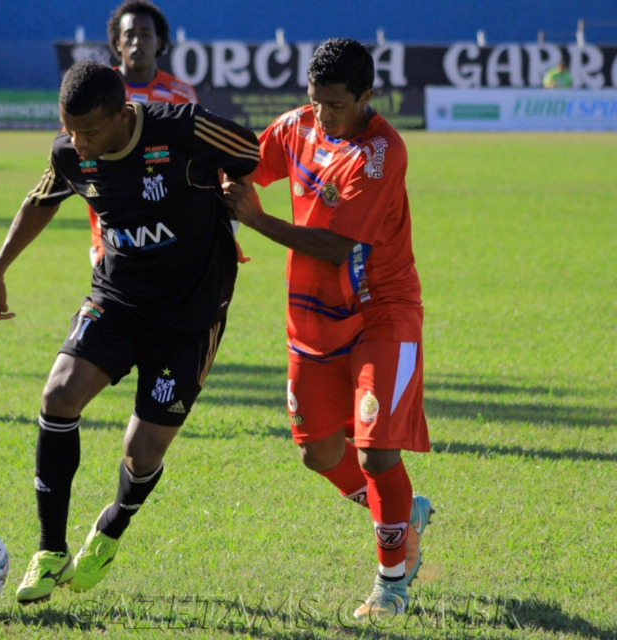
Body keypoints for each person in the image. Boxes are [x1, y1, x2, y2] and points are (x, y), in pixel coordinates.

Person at [0, 60, 259, 605]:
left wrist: (230, 185)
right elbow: (41, 199)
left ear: (122, 113)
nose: (77, 142)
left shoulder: (182, 128)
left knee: (142, 449)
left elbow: (248, 148)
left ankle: (110, 529)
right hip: (118, 298)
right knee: (59, 394)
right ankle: (50, 549)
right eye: (68, 128)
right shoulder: (69, 152)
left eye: (88, 131)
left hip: (190, 314)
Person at [223, 38, 433, 618]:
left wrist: (258, 221)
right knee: (318, 453)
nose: (320, 114)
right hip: (311, 316)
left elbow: (337, 245)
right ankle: (402, 512)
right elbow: (248, 167)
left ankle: (391, 585)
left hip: (381, 315)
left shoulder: (380, 154)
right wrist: (222, 191)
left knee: (376, 454)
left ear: (367, 96)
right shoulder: (297, 127)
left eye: (334, 105)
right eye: (314, 101)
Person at [84, 0, 197, 267]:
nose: (137, 42)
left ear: (159, 42)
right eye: (129, 35)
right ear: (116, 42)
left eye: (146, 34)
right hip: (112, 236)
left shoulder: (181, 95)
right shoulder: (96, 92)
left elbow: (198, 159)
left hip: (169, 231)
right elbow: (76, 154)